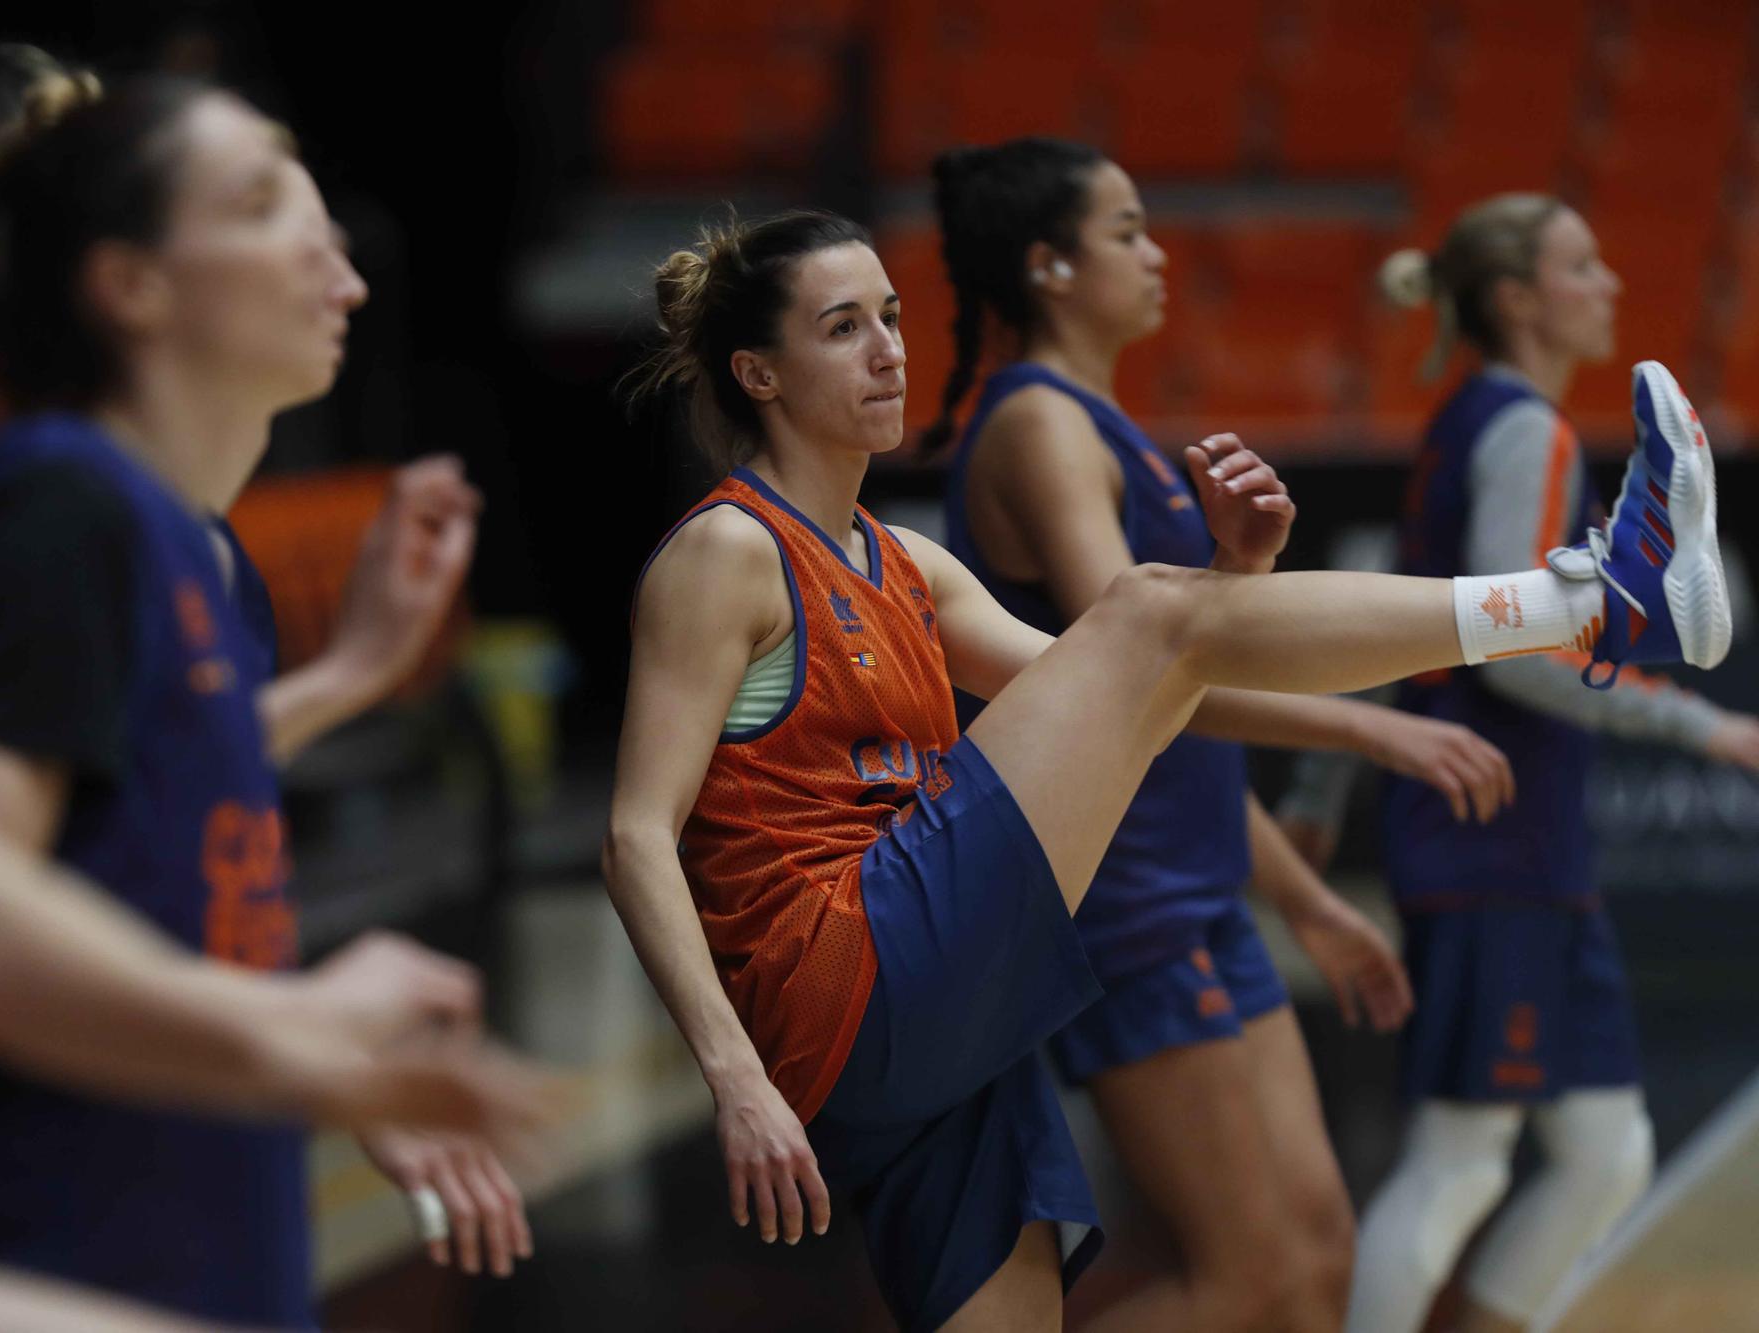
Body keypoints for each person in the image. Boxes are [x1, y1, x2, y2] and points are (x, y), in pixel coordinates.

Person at [602, 206, 1729, 1331]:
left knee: (1157, 618)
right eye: (842, 328)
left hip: (936, 1005)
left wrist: (1243, 608)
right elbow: (634, 835)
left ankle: (1585, 608)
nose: (889, 349)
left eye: (892, 317)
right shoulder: (727, 549)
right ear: (756, 371)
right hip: (848, 965)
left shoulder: (906, 565)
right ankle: (1586, 601)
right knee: (1146, 606)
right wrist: (733, 1076)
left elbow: (1140, 701)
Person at [0, 73, 525, 1326]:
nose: (332, 258)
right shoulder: (60, 507)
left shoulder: (184, 544)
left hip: (197, 1226)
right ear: (130, 282)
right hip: (67, 1242)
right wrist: (304, 1032)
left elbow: (123, 817)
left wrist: (356, 670)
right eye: (261, 203)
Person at [925, 137, 1520, 1330]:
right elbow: (1135, 674)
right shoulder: (1038, 425)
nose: (1157, 255)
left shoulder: (1103, 421)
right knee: (1250, 1280)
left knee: (1312, 1270)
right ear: (1046, 265)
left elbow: (1172, 719)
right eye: (1127, 231)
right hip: (1126, 909)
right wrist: (1367, 733)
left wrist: (1300, 897)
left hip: (1196, 891)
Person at [0, 497, 558, 1330]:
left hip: (188, 1115)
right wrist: (308, 1039)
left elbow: (80, 863)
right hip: (79, 1134)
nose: (338, 353)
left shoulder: (201, 551)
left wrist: (313, 1052)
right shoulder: (59, 517)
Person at [1258, 194, 1759, 1333]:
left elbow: (1395, 622)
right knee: (1460, 1157)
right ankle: (1638, 568)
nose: (1610, 287)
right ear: (1518, 299)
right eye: (1583, 266)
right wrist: (1702, 726)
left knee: (1603, 1148)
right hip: (1487, 831)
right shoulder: (1520, 430)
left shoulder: (1464, 420)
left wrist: (1317, 792)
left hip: (1515, 837)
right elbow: (1514, 649)